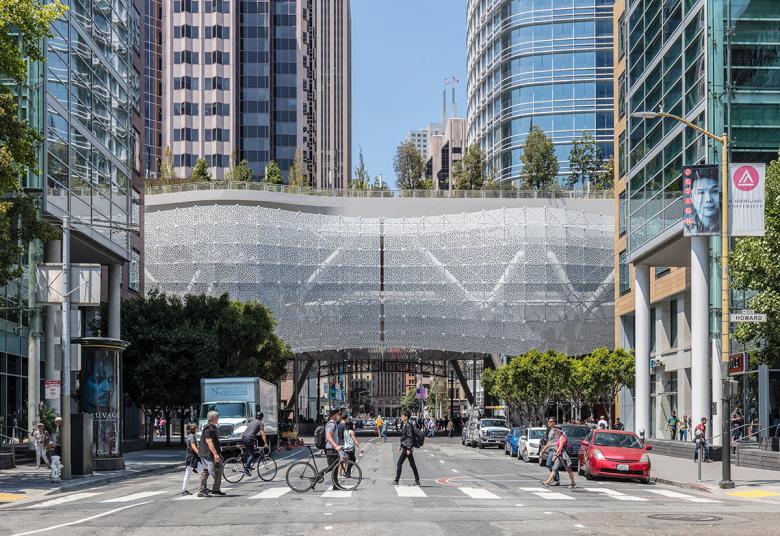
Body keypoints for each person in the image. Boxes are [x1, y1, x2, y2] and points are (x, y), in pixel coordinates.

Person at [198, 410, 226, 497]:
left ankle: (214, 489)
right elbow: (209, 442)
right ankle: (205, 490)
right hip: (208, 455)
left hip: (209, 454)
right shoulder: (208, 428)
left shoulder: (213, 427)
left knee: (208, 471)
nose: (218, 419)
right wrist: (215, 454)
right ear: (213, 418)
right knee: (213, 471)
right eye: (217, 417)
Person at [393, 410, 420, 486]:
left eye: (402, 416)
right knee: (412, 464)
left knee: (399, 463)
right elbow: (405, 438)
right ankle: (417, 480)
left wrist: (408, 448)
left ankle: (396, 480)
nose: (401, 417)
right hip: (406, 447)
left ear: (406, 417)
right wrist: (401, 446)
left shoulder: (408, 425)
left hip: (407, 448)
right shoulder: (406, 425)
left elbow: (410, 437)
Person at [539, 417, 560, 485]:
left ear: (554, 423)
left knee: (549, 464)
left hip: (554, 449)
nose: (548, 423)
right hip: (550, 449)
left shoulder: (556, 430)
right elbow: (549, 442)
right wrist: (543, 450)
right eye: (548, 421)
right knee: (552, 465)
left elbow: (558, 441)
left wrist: (555, 451)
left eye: (550, 422)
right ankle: (556, 479)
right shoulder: (550, 430)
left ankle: (556, 479)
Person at [181, 423, 200, 495]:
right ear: (193, 429)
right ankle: (184, 490)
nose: (197, 429)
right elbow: (193, 446)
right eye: (196, 428)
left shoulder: (190, 436)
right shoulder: (191, 436)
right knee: (188, 473)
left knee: (202, 471)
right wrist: (199, 454)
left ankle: (203, 487)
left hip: (192, 457)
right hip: (191, 457)